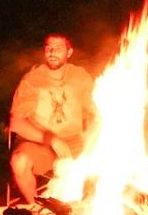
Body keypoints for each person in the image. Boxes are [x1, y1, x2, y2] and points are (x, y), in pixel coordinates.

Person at [9, 33, 98, 204]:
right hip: (41, 144)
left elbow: (97, 109)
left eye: (58, 48)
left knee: (111, 155)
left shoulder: (80, 76)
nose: (52, 52)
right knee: (19, 161)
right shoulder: (32, 79)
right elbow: (16, 122)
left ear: (69, 52)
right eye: (48, 48)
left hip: (75, 143)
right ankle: (35, 210)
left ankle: (93, 210)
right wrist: (52, 140)